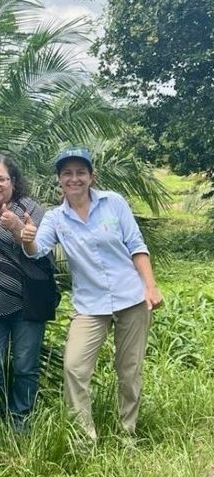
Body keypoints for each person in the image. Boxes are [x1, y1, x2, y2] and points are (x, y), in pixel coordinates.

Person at [19, 147, 163, 442]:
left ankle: (128, 432)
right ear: (59, 179)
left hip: (131, 297)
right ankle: (85, 438)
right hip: (90, 305)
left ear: (91, 176)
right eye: (67, 173)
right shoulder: (56, 218)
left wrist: (150, 286)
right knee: (74, 367)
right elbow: (37, 251)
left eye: (80, 172)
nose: (74, 179)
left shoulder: (114, 203)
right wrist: (27, 237)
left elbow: (136, 245)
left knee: (129, 369)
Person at [0, 154, 51, 432]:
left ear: (13, 181)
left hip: (27, 304)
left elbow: (40, 254)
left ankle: (21, 422)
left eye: (1, 178)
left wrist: (18, 230)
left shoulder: (30, 209)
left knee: (25, 366)